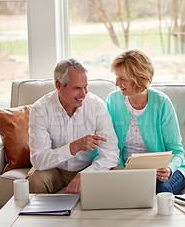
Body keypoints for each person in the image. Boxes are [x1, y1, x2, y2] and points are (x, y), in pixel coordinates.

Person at [27, 58, 120, 194]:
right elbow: (39, 160)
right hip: (54, 170)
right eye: (77, 88)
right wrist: (73, 147)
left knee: (119, 176)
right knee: (37, 181)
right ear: (59, 85)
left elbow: (111, 154)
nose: (83, 94)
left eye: (85, 87)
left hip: (88, 167)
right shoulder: (40, 109)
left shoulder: (96, 106)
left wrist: (86, 174)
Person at [106, 49, 185, 194]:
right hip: (127, 170)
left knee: (161, 189)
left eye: (122, 78)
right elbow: (107, 144)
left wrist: (169, 169)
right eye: (116, 77)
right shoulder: (112, 100)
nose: (116, 83)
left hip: (165, 169)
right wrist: (117, 169)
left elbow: (177, 150)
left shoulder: (162, 102)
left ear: (138, 78)